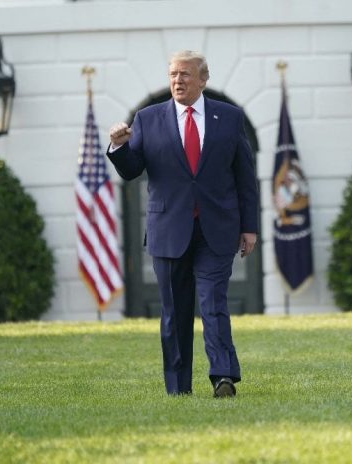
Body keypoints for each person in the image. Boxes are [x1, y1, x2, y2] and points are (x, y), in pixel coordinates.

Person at [107, 50, 258, 397]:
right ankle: (178, 387)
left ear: (203, 79)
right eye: (173, 74)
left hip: (216, 230)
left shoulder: (230, 118)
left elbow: (245, 178)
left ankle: (223, 376)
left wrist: (249, 228)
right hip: (168, 231)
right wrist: (118, 147)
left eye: (186, 75)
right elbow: (133, 170)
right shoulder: (148, 119)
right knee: (174, 313)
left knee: (213, 304)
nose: (178, 81)